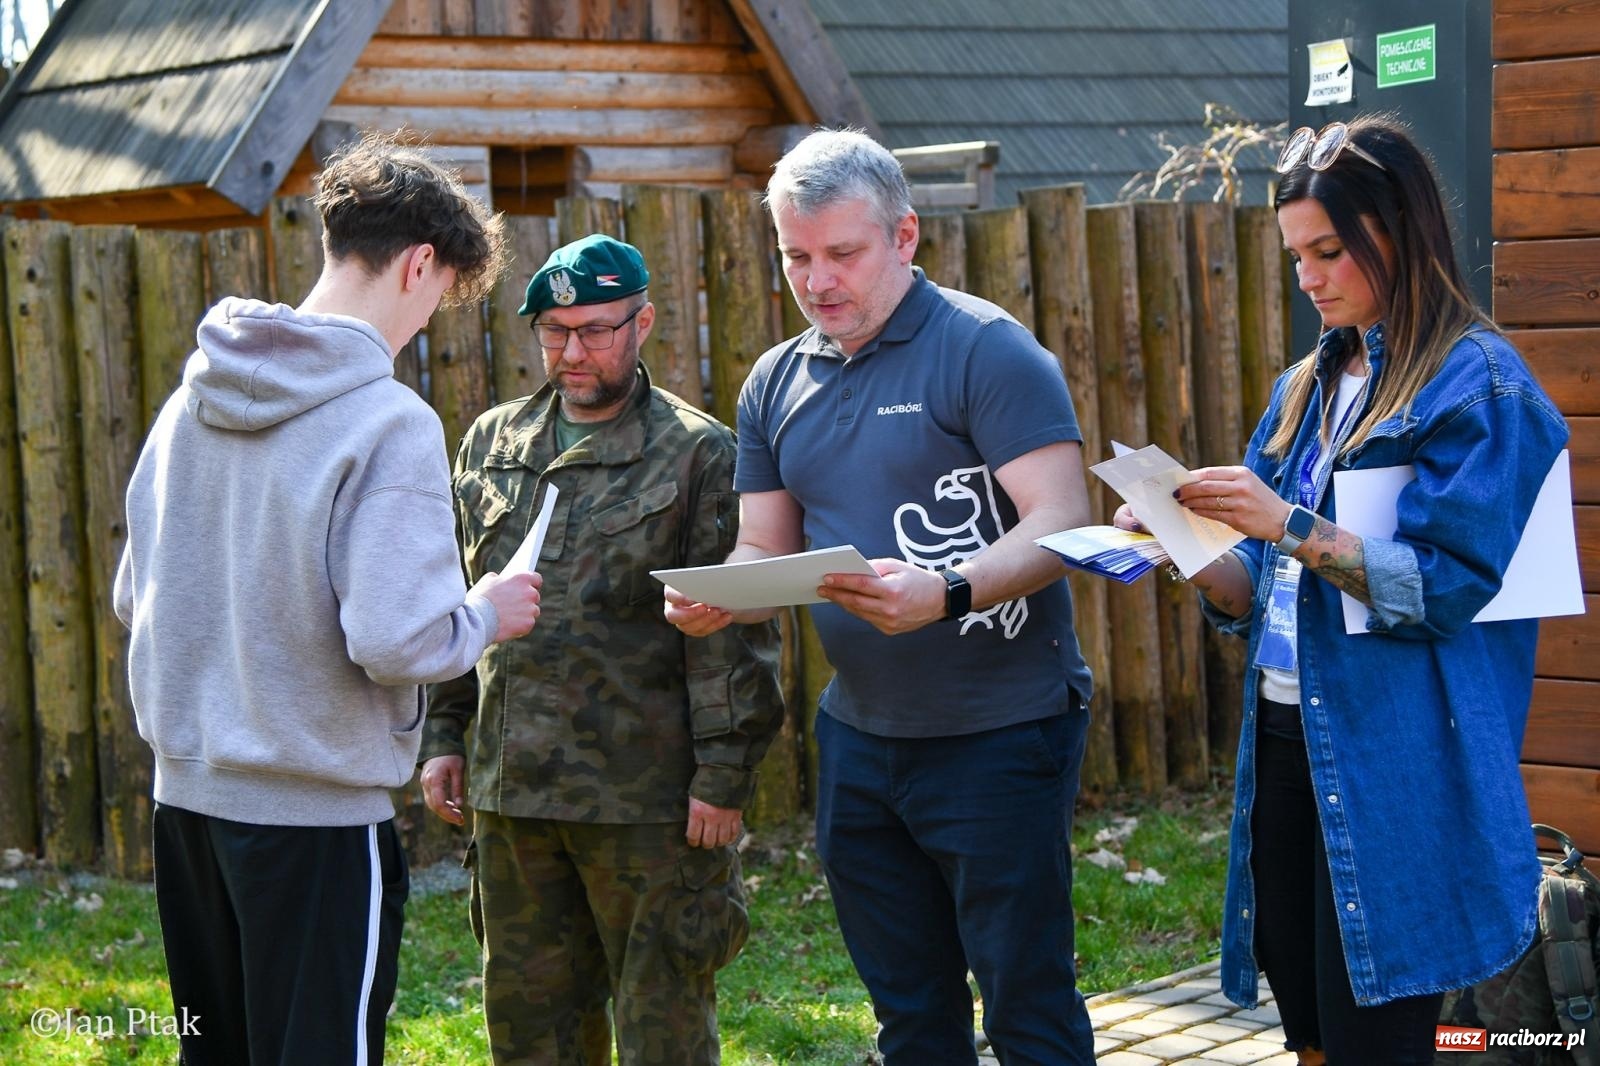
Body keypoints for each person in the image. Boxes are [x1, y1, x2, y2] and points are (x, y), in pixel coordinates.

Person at [1117, 115, 1569, 1065]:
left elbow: (1443, 586)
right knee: (1311, 1030)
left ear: (1397, 231)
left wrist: (1284, 521)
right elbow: (1253, 593)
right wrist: (1182, 538)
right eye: (1294, 256)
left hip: (1394, 753)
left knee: (1384, 1034)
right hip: (1285, 737)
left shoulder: (1481, 388)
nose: (1309, 277)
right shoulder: (1306, 387)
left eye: (1328, 250)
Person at [665, 129, 1097, 1065]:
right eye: (795, 257)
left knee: (1027, 1003)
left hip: (1002, 729)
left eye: (841, 254)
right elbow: (763, 547)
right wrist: (722, 599)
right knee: (909, 1012)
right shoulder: (774, 380)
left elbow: (1063, 522)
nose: (817, 280)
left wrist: (944, 593)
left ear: (904, 238)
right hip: (859, 740)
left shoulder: (987, 350)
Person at [113, 131, 542, 1066]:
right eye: (436, 294)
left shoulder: (189, 404)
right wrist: (489, 613)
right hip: (311, 823)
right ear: (421, 262)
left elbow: (129, 594)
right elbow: (397, 640)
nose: (427, 316)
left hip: (184, 807)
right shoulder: (390, 420)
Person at [419, 234, 784, 1066]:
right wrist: (443, 736)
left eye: (596, 330)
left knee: (664, 1031)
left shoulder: (697, 453)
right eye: (553, 331)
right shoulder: (491, 442)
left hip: (644, 804)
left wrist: (724, 779)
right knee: (528, 1030)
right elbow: (458, 600)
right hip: (512, 794)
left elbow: (738, 632)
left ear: (643, 321)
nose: (573, 351)